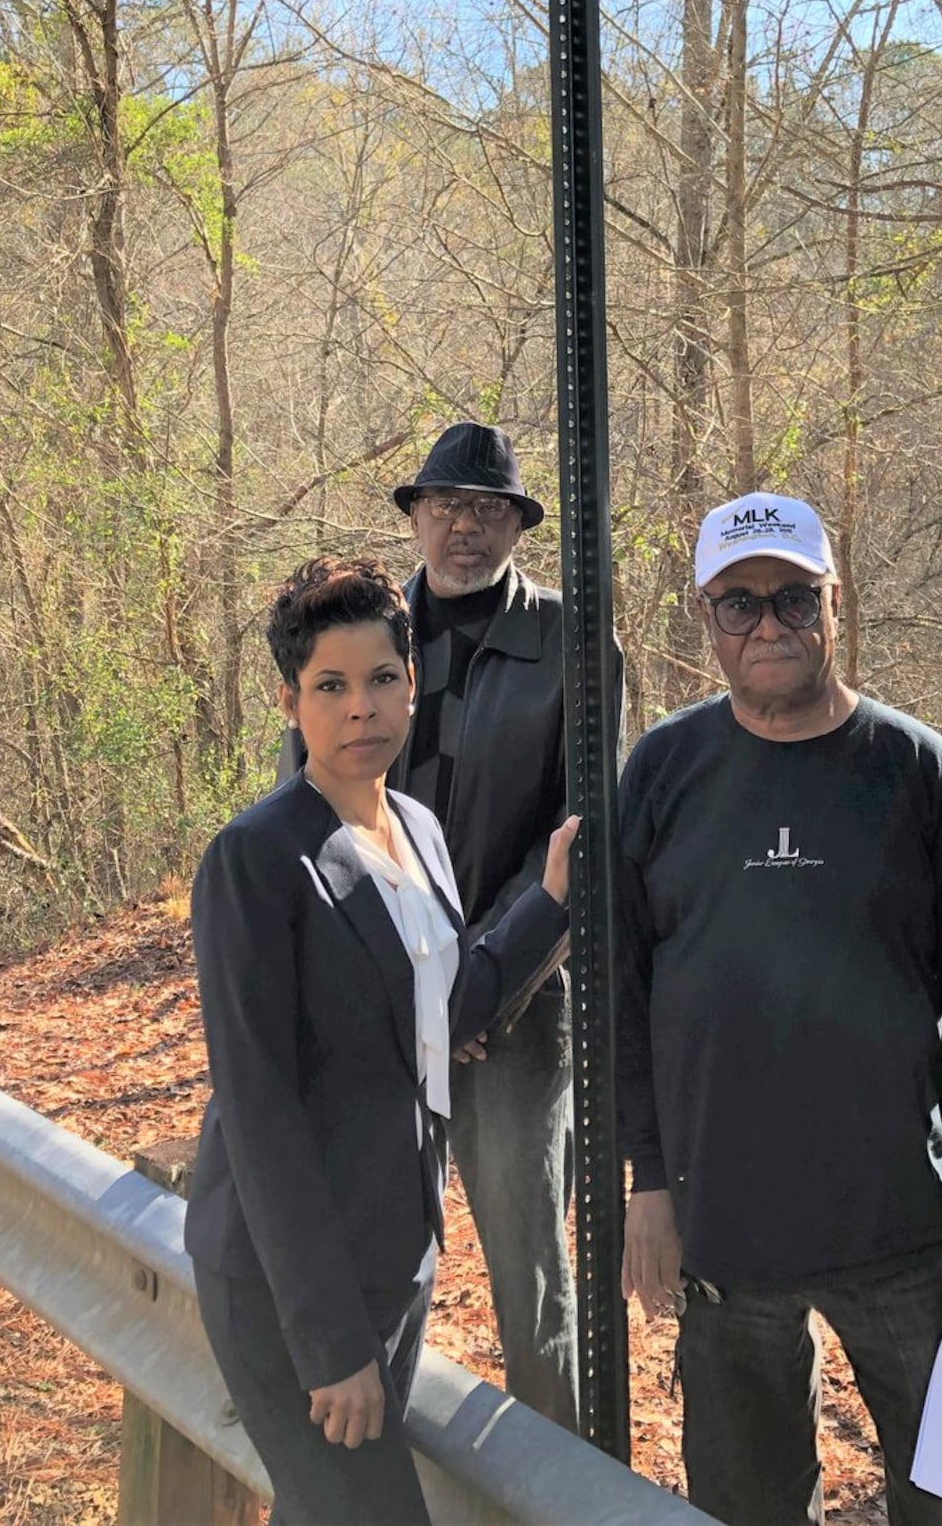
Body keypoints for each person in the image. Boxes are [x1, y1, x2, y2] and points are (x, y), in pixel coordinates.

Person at [616, 493, 942, 1526]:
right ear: (703, 617)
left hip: (899, 1228)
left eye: (794, 600)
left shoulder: (920, 776)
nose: (768, 628)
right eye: (740, 604)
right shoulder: (664, 774)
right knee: (745, 1507)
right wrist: (648, 1181)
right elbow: (621, 998)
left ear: (836, 604)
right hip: (723, 1235)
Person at [185, 556, 578, 1526]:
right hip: (291, 1292)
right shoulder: (257, 859)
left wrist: (552, 900)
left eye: (382, 680)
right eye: (331, 686)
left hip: (394, 1260)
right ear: (289, 702)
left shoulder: (416, 829)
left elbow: (450, 1008)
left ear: (412, 686)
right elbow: (261, 1114)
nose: (361, 708)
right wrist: (329, 1347)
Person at [281, 421, 593, 1429]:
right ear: (414, 516)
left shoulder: (571, 645)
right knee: (371, 1243)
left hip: (513, 1011)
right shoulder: (370, 636)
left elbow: (576, 841)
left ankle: (560, 1484)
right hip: (377, 1004)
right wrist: (396, 985)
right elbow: (316, 811)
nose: (465, 528)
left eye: (489, 509)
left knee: (528, 1275)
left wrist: (479, 985)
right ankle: (353, 1454)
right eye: (446, 506)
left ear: (517, 524)